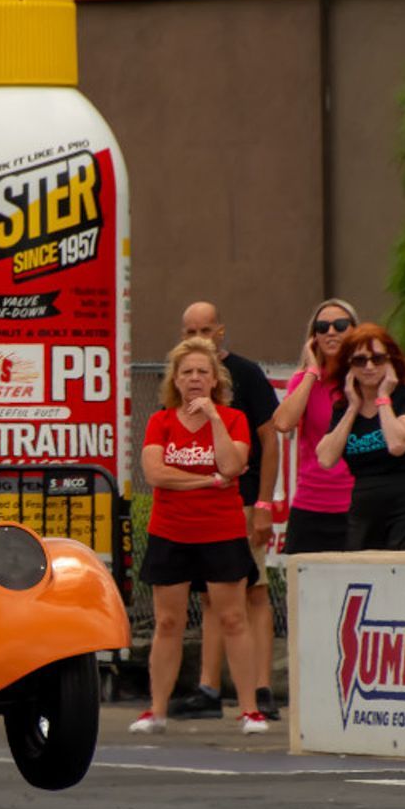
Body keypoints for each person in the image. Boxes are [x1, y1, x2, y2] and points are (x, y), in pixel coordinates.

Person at [129, 337, 267, 736]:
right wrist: (208, 481)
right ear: (175, 378)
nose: (193, 379)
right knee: (168, 621)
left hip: (220, 532)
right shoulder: (162, 421)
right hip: (170, 532)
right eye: (186, 372)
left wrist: (215, 421)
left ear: (214, 379)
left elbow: (233, 463)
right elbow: (155, 474)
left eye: (201, 372)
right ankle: (155, 710)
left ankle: (249, 711)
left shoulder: (235, 419)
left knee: (232, 618)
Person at [172, 301, 280, 721]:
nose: (198, 335)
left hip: (243, 501)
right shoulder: (180, 383)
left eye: (206, 328)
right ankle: (208, 689)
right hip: (202, 505)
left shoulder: (246, 375)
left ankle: (261, 689)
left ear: (220, 331)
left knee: (253, 593)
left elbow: (270, 440)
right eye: (189, 330)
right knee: (212, 598)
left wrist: (264, 505)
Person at [315, 323, 405, 551]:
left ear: (391, 361)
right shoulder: (344, 407)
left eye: (378, 359)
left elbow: (396, 444)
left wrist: (383, 397)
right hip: (365, 502)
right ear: (349, 366)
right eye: (360, 361)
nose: (369, 367)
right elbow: (325, 458)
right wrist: (353, 407)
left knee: (404, 571)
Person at [269, 298, 360, 554]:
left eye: (340, 325)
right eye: (323, 327)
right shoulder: (306, 380)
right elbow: (283, 423)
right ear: (314, 337)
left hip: (355, 506)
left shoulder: (365, 378)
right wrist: (311, 371)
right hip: (311, 505)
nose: (331, 332)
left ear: (355, 331)